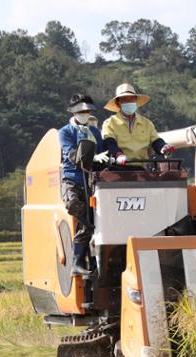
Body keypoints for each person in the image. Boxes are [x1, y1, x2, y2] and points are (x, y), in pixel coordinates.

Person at [59, 94, 116, 276]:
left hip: (91, 181)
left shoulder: (95, 132)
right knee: (74, 205)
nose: (85, 113)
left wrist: (106, 158)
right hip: (72, 179)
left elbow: (102, 155)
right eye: (82, 111)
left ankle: (80, 263)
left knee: (89, 225)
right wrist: (91, 157)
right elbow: (70, 153)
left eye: (87, 111)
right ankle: (77, 262)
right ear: (74, 112)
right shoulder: (66, 132)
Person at [101, 83, 175, 165]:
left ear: (136, 101)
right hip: (118, 169)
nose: (129, 102)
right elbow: (109, 143)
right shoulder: (110, 123)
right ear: (118, 103)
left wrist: (163, 147)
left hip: (142, 169)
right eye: (125, 99)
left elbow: (156, 140)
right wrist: (119, 155)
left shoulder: (146, 123)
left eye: (131, 99)